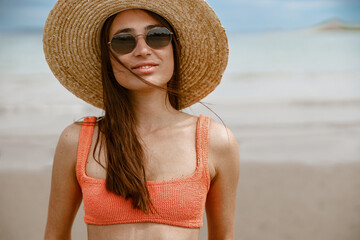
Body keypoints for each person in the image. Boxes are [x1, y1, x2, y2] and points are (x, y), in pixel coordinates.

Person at [43, 0, 240, 239]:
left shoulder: (216, 141)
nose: (142, 50)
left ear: (174, 48)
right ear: (108, 57)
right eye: (123, 41)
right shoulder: (76, 140)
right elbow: (55, 235)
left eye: (156, 36)